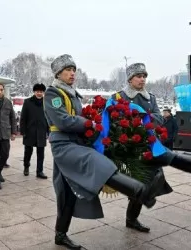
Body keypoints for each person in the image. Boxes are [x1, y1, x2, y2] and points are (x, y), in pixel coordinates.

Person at [44, 54, 166, 249]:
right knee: (98, 163)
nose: (72, 73)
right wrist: (90, 122)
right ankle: (140, 191)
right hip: (63, 145)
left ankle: (60, 234)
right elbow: (62, 121)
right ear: (58, 73)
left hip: (77, 142)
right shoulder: (53, 93)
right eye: (68, 70)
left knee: (67, 192)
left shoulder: (71, 93)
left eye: (73, 70)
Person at [111, 62, 191, 233]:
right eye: (139, 76)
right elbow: (111, 121)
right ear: (130, 79)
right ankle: (134, 215)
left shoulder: (150, 97)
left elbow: (159, 118)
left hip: (149, 143)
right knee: (143, 182)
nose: (142, 79)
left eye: (144, 76)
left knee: (169, 159)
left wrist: (144, 119)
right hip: (128, 147)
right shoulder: (119, 97)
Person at [20, 83, 49, 178]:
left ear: (43, 92)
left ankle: (39, 171)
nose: (39, 93)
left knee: (41, 153)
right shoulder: (28, 102)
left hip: (41, 131)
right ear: (34, 92)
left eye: (41, 92)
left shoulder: (46, 103)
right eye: (37, 91)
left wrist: (49, 131)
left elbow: (49, 118)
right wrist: (23, 131)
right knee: (28, 152)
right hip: (30, 131)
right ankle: (26, 167)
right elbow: (23, 117)